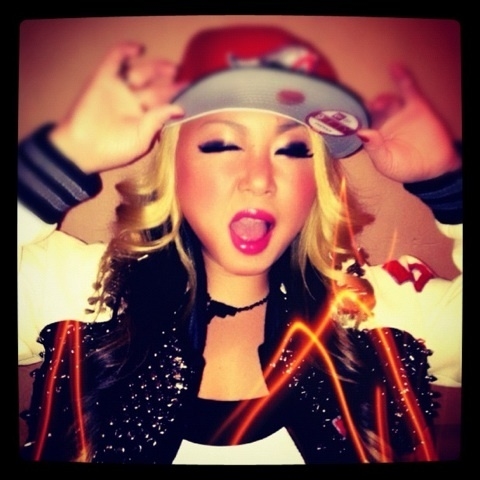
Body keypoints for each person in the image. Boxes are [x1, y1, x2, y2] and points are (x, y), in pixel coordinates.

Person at [17, 25, 462, 464]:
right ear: (174, 166)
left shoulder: (382, 312)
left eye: (292, 150)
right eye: (223, 144)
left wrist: (450, 185)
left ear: (318, 183)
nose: (258, 180)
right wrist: (64, 157)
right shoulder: (77, 292)